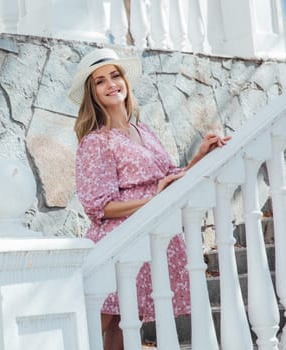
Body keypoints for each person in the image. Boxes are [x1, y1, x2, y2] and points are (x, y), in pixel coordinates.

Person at [67, 48, 230, 350]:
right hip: (119, 242)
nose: (111, 84)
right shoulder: (96, 141)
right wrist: (151, 200)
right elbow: (98, 206)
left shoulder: (143, 130)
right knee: (92, 326)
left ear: (125, 82)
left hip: (150, 238)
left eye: (115, 75)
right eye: (100, 81)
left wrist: (198, 158)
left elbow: (166, 178)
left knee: (124, 327)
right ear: (93, 93)